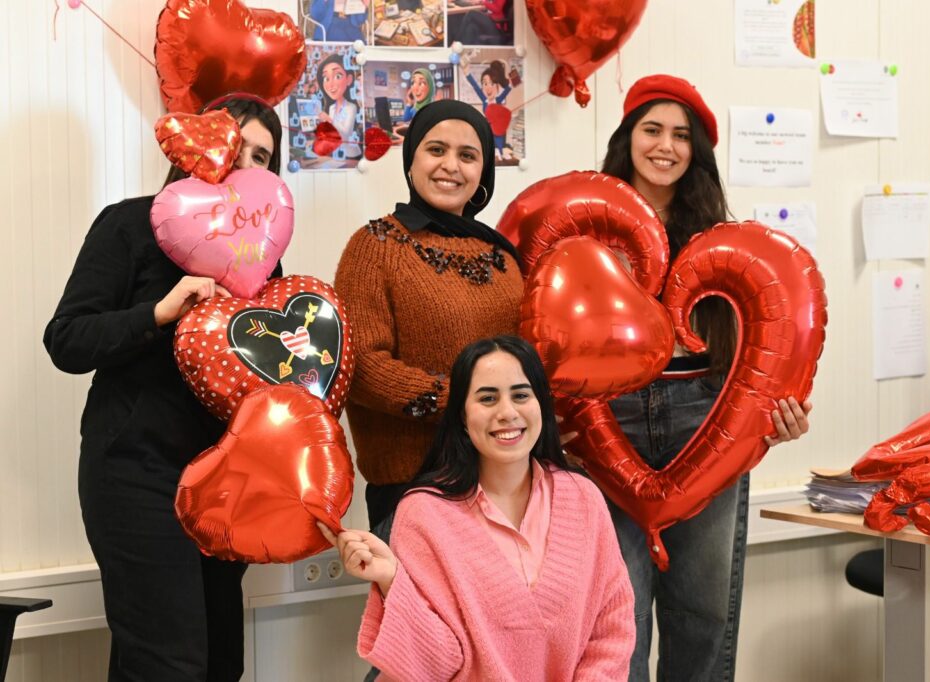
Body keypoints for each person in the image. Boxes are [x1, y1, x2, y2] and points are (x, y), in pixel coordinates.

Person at [43, 94, 283, 682]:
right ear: (198, 148)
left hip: (224, 483)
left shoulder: (260, 254)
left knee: (217, 662)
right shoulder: (129, 224)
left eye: (262, 157)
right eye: (237, 147)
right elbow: (67, 339)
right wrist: (159, 312)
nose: (247, 165)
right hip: (135, 474)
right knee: (169, 664)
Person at [594, 75, 813, 681]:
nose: (665, 146)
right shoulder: (587, 227)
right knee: (617, 618)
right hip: (608, 425)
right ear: (628, 138)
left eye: (681, 135)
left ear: (698, 152)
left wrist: (780, 413)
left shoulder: (721, 240)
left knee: (703, 612)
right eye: (652, 130)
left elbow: (763, 349)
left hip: (705, 421)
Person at [318, 335, 635, 679]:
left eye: (521, 395)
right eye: (487, 398)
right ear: (463, 417)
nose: (507, 413)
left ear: (542, 405)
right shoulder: (424, 514)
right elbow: (436, 664)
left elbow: (611, 630)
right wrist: (390, 578)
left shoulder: (584, 498)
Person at [334, 99, 522, 535]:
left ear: (483, 172)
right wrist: (468, 402)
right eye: (436, 150)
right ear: (411, 160)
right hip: (416, 488)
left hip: (506, 478)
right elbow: (361, 368)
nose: (450, 166)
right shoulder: (374, 246)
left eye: (467, 155)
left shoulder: (503, 256)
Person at [462, 59, 513, 156]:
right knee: (488, 149)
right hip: (488, 128)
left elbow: (507, 91)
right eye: (485, 83)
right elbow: (475, 87)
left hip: (498, 129)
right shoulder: (484, 99)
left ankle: (500, 154)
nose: (488, 88)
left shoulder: (498, 100)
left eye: (492, 83)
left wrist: (511, 82)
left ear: (497, 85)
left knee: (499, 150)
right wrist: (467, 73)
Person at [317, 53, 359, 141]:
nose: (331, 84)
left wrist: (329, 119)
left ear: (349, 79)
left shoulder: (351, 107)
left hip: (349, 149)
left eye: (337, 76)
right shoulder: (331, 108)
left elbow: (346, 134)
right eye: (326, 78)